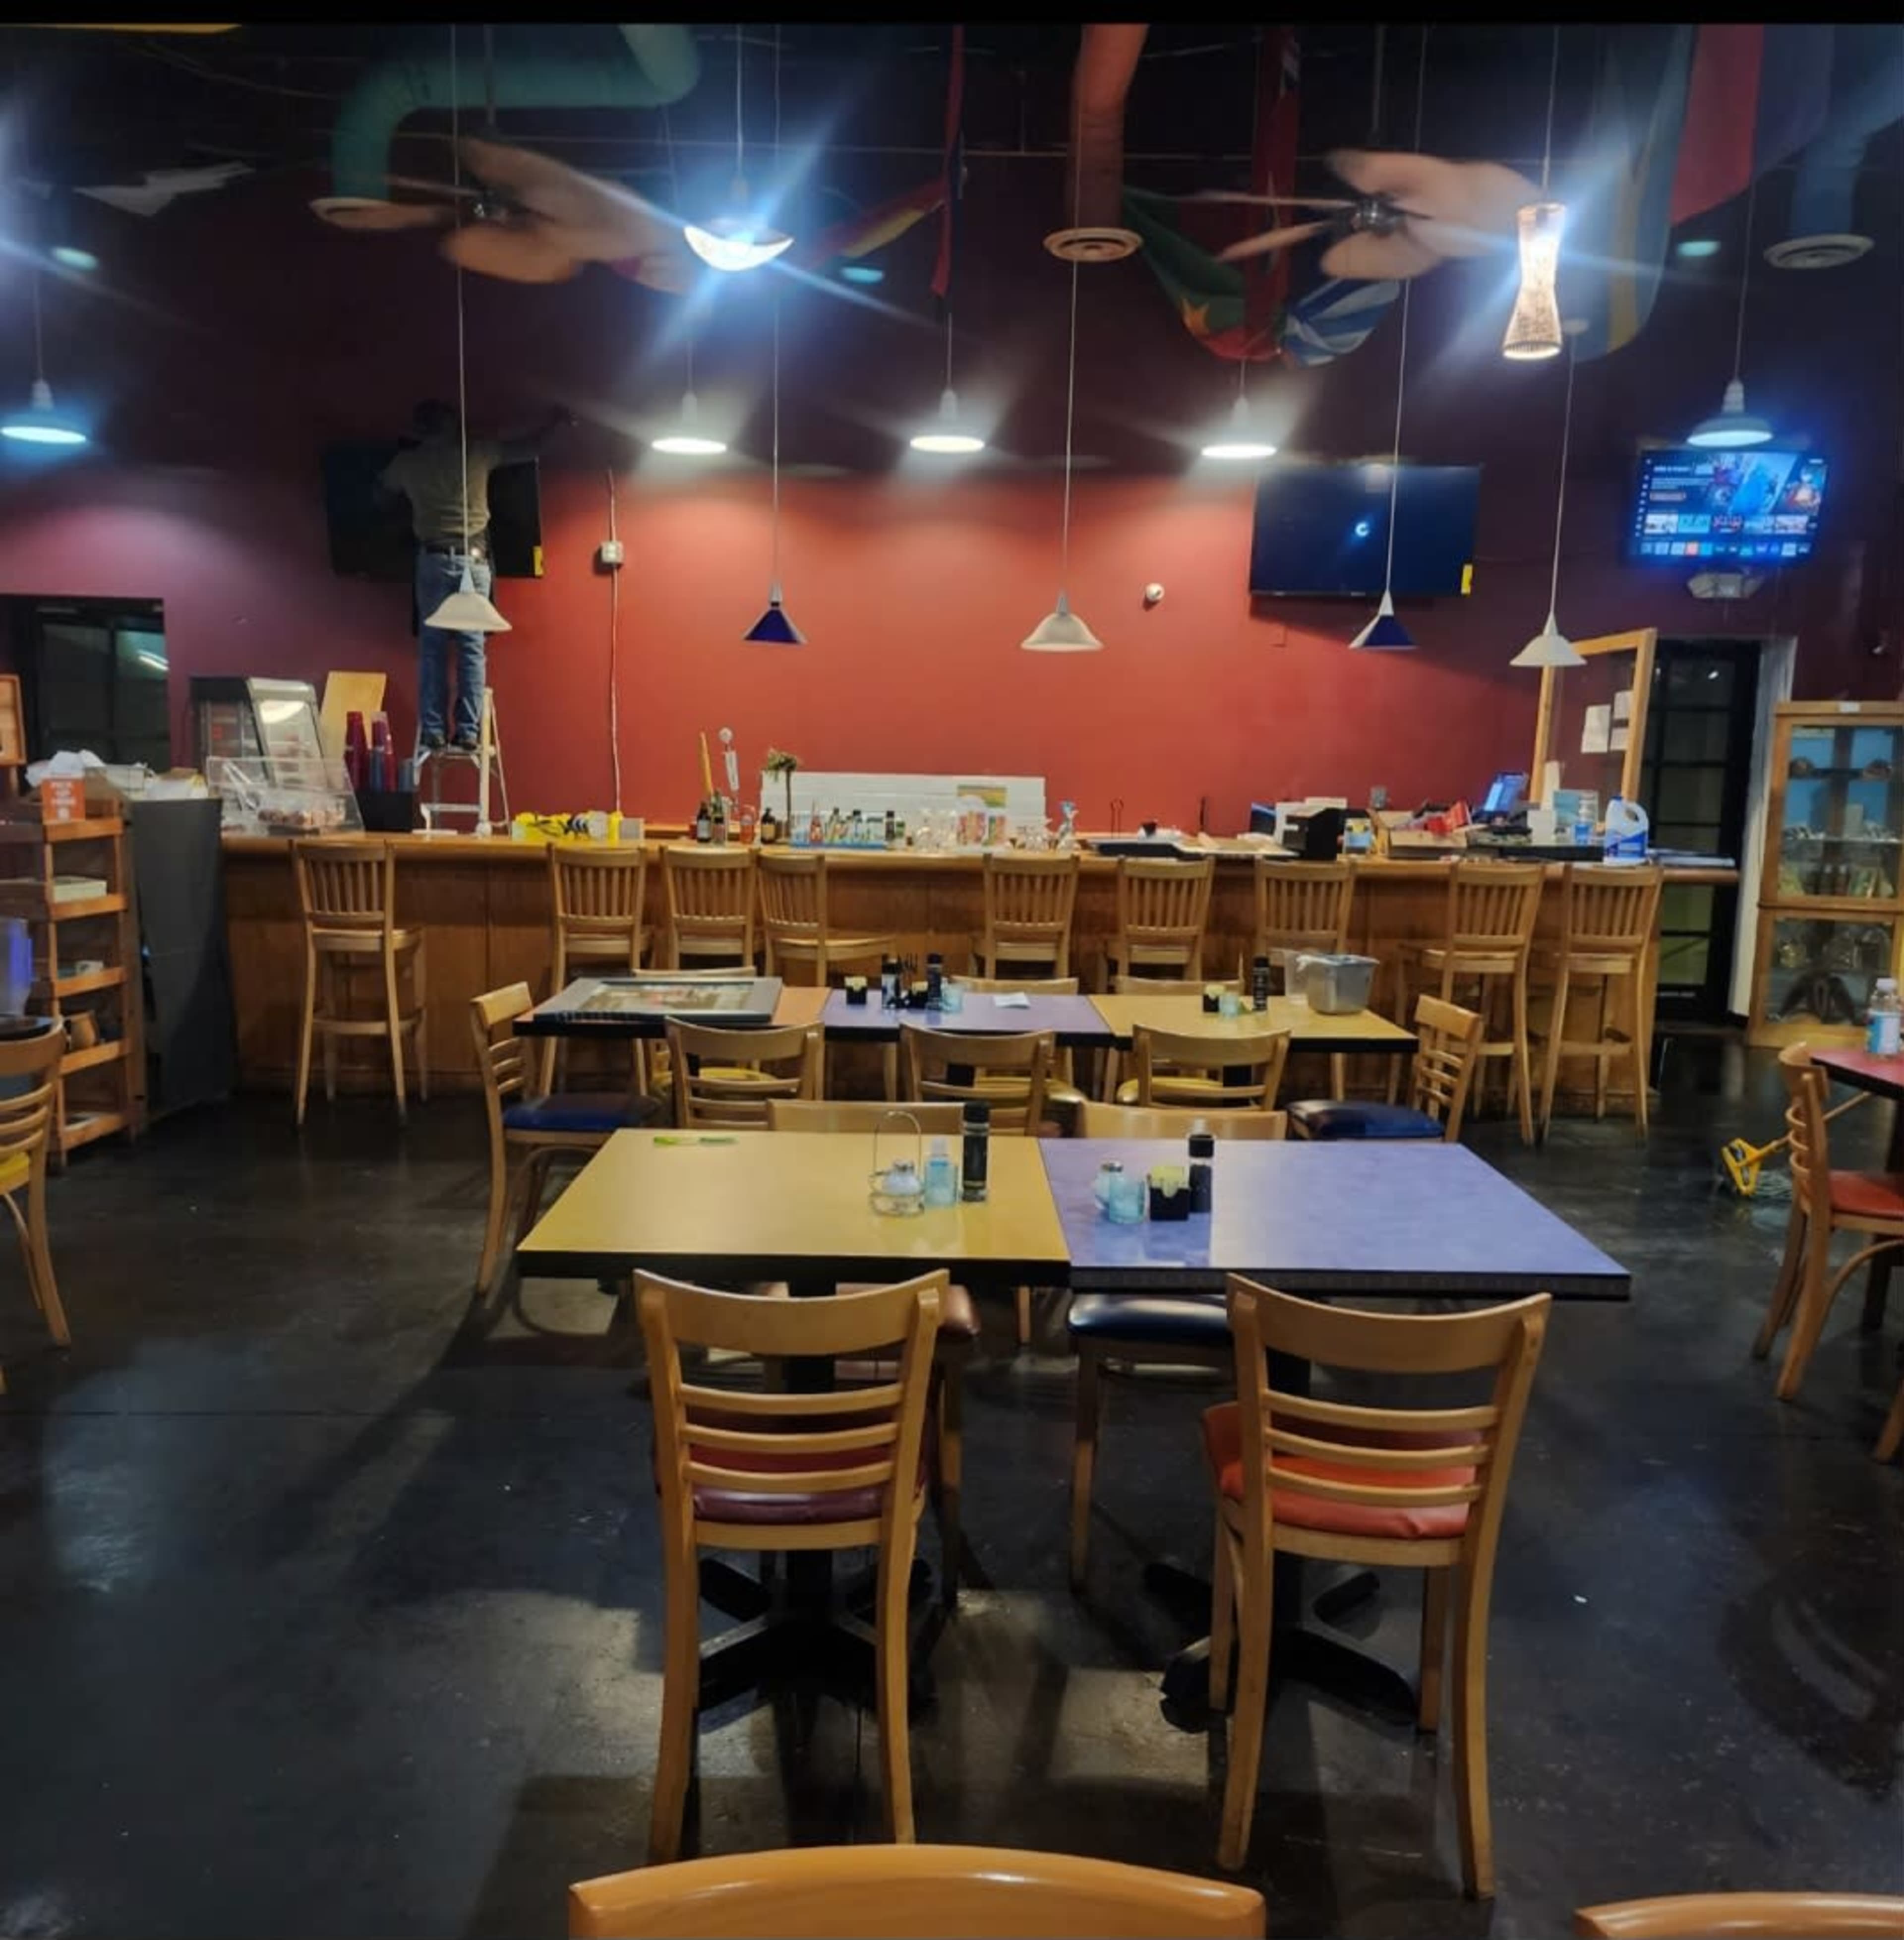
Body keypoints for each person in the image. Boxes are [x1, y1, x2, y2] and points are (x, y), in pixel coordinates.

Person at [378, 399, 568, 751]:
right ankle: (467, 731)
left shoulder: (408, 463)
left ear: (421, 429)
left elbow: (381, 490)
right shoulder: (479, 452)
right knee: (471, 651)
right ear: (454, 426)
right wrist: (559, 423)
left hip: (433, 561)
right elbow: (532, 447)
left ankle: (433, 730)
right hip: (473, 562)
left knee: (433, 650)